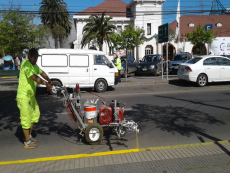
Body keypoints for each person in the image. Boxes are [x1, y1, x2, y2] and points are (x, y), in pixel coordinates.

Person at [16, 48, 53, 149]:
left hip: (31, 97)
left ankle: (28, 136)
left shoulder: (33, 65)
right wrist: (46, 84)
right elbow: (34, 78)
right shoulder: (26, 65)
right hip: (23, 97)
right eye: (34, 58)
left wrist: (49, 80)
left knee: (36, 115)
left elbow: (41, 73)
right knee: (26, 118)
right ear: (29, 57)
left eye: (37, 58)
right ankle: (27, 141)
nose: (36, 60)